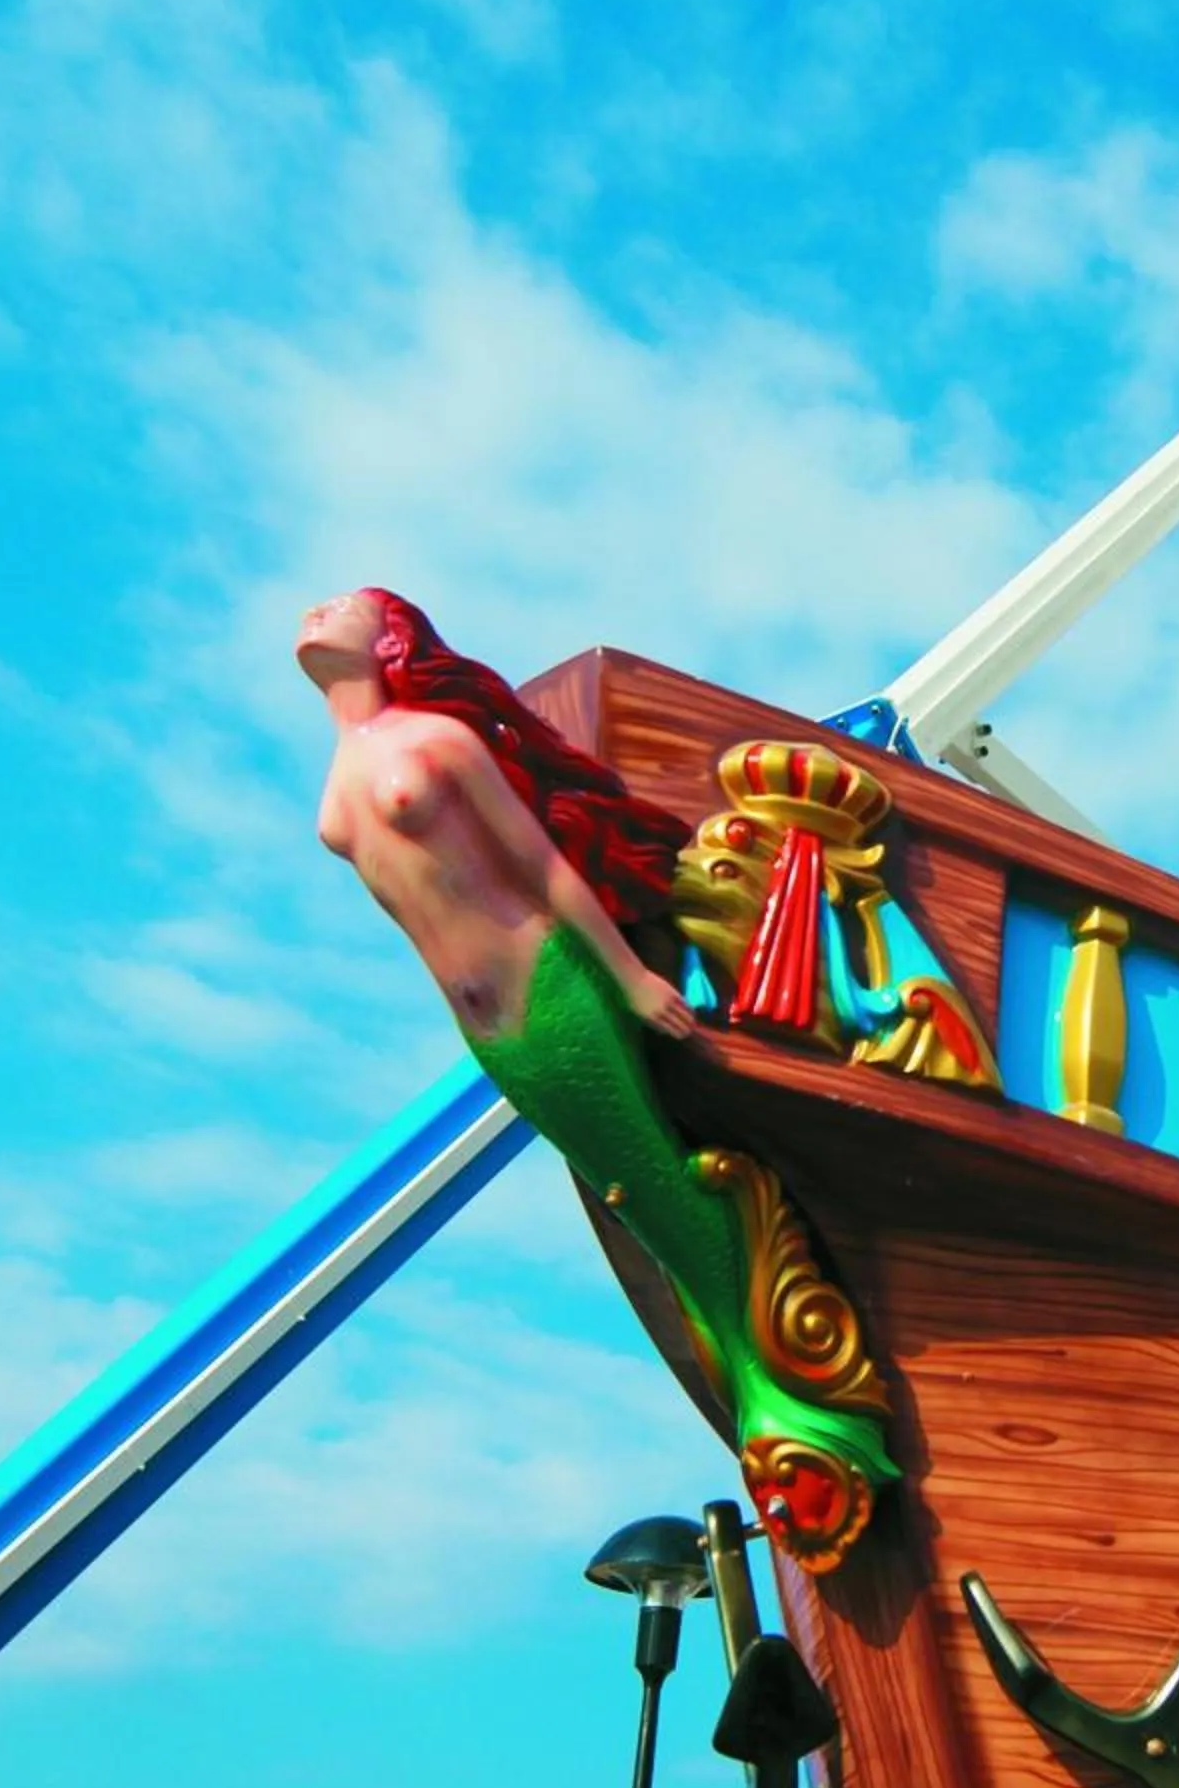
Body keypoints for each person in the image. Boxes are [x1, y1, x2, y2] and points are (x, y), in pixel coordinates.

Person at [295, 588, 895, 1561]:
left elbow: (538, 864)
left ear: (393, 636)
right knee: (632, 1193)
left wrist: (627, 976)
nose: (317, 611)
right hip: (486, 1030)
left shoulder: (438, 740)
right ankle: (764, 1375)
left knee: (652, 1179)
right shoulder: (344, 770)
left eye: (346, 606)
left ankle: (786, 1389)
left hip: (550, 984)